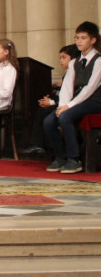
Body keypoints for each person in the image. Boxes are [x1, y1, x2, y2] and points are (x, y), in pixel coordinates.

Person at [43, 21, 101, 174]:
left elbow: (90, 88)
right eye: (77, 38)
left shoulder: (99, 61)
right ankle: (61, 157)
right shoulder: (74, 62)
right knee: (49, 122)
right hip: (77, 100)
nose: (79, 41)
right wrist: (62, 105)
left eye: (83, 38)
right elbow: (67, 87)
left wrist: (68, 107)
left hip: (95, 100)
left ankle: (74, 159)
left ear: (93, 40)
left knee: (66, 117)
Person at [21, 44, 80, 156]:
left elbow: (72, 96)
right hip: (62, 102)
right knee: (42, 111)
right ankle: (44, 146)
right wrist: (49, 99)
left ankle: (47, 147)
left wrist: (51, 102)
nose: (61, 61)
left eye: (64, 57)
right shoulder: (67, 74)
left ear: (73, 59)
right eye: (60, 58)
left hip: (70, 105)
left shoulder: (77, 74)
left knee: (46, 115)